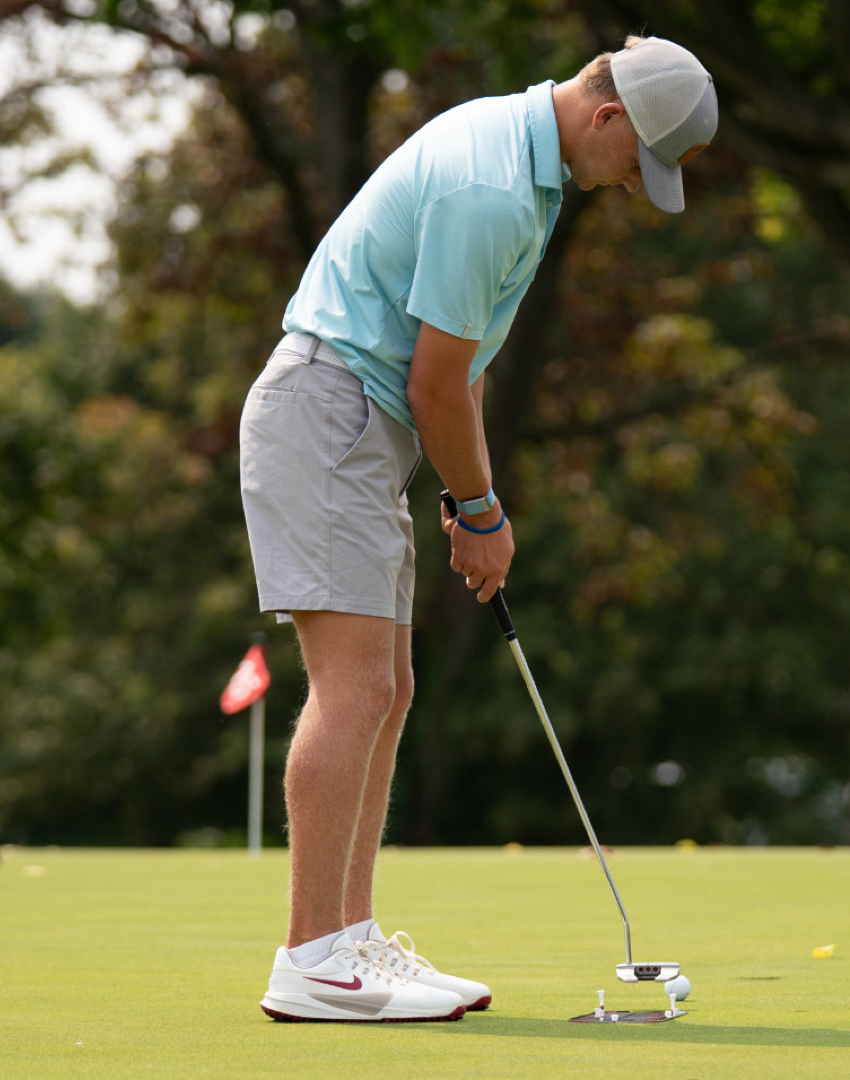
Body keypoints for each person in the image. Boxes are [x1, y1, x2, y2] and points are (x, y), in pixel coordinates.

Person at [239, 36, 717, 1023]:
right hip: (328, 411)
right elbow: (433, 380)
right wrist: (485, 512)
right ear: (609, 117)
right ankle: (312, 960)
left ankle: (349, 940)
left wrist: (469, 497)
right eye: (637, 163)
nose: (632, 186)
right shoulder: (493, 188)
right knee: (357, 686)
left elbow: (463, 362)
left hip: (359, 425)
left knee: (390, 687)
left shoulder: (525, 169)